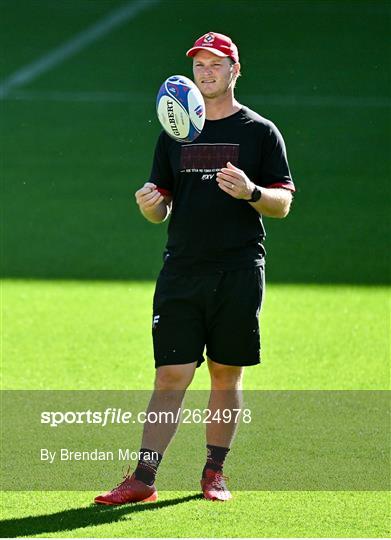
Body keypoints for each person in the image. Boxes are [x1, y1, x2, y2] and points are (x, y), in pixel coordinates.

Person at [95, 31, 295, 505]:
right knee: (170, 375)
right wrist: (148, 206)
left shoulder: (260, 132)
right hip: (182, 270)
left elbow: (282, 203)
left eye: (216, 64)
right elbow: (160, 208)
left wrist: (251, 192)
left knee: (226, 374)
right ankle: (143, 478)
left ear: (235, 71)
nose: (206, 72)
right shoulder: (174, 132)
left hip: (239, 270)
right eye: (199, 66)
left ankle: (214, 473)